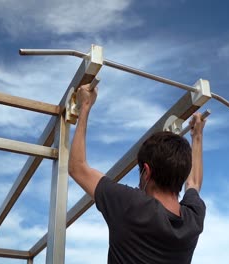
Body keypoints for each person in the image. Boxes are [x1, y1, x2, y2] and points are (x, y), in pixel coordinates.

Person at [68, 83, 206, 264]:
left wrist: (85, 106)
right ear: (182, 173)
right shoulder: (193, 219)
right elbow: (194, 183)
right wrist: (197, 136)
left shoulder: (131, 206)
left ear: (146, 172)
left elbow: (77, 167)